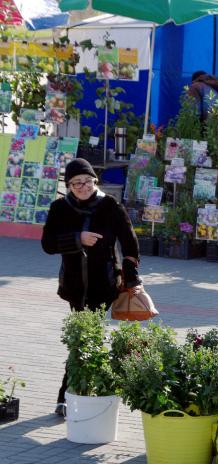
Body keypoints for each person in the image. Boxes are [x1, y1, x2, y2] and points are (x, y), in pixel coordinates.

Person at [41, 158, 141, 417]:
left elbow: (130, 246)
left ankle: (67, 396)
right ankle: (78, 394)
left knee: (85, 338)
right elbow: (47, 244)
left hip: (104, 285)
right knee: (85, 338)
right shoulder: (60, 208)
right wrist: (77, 239)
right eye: (76, 183)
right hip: (74, 287)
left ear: (94, 180)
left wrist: (132, 280)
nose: (82, 187)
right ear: (69, 185)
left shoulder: (110, 206)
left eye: (87, 181)